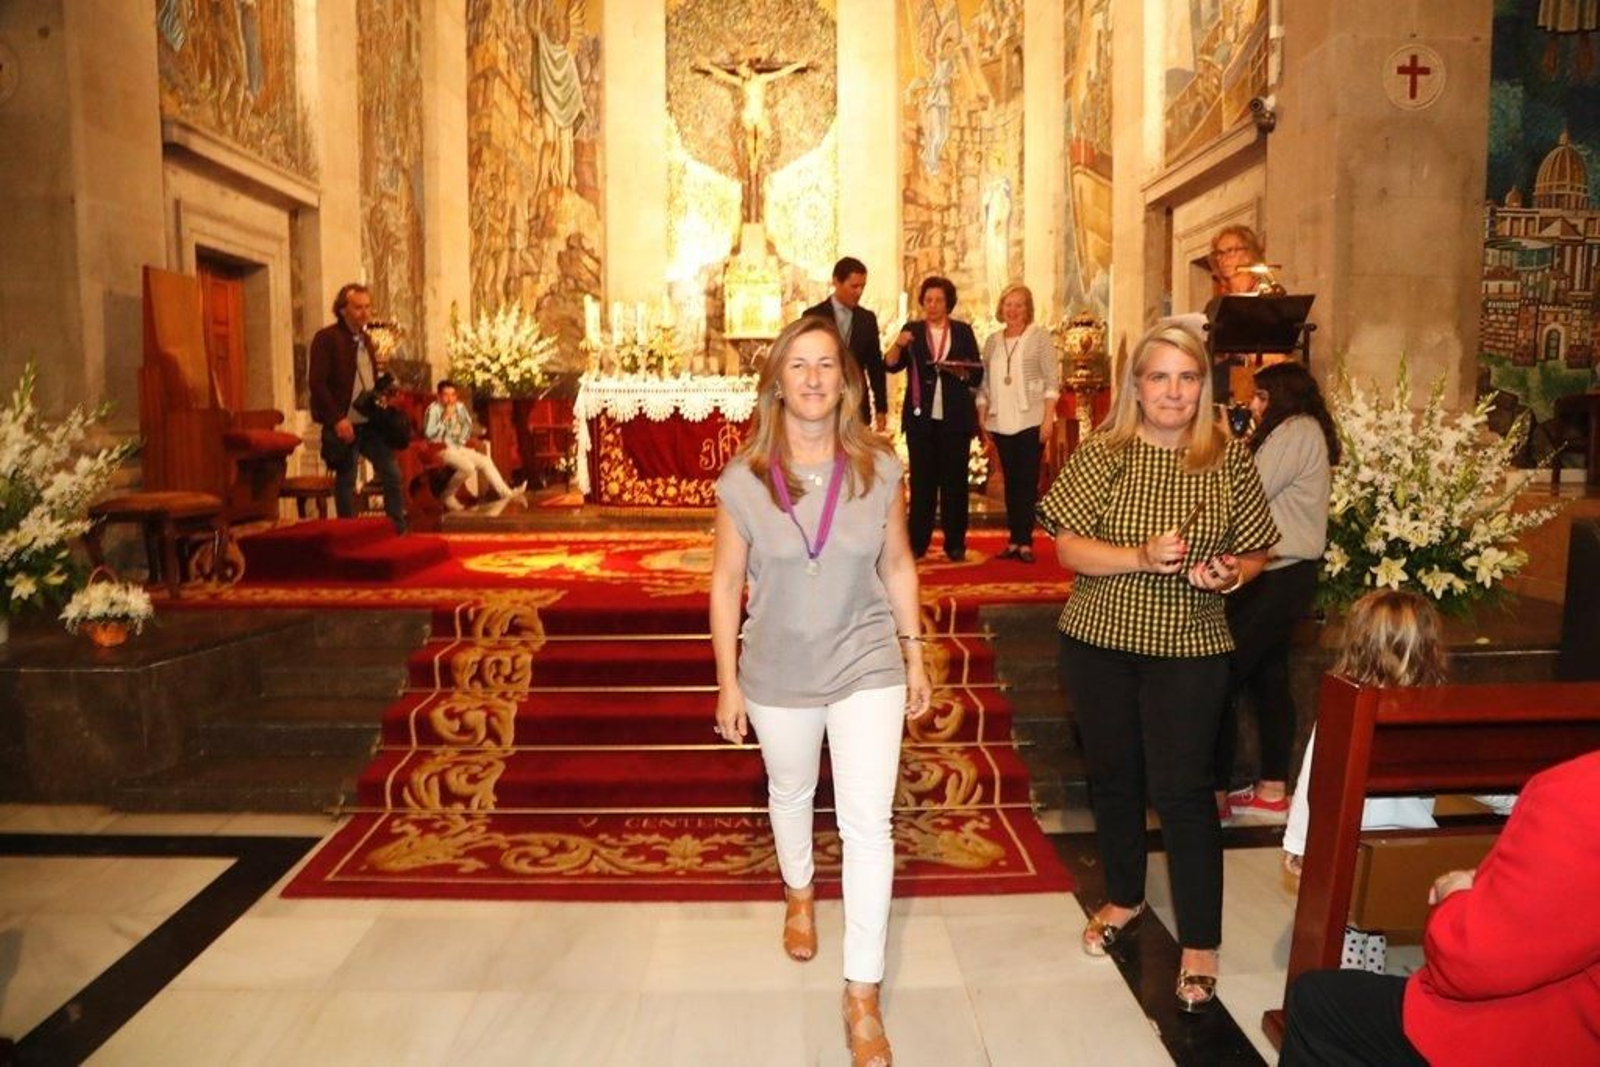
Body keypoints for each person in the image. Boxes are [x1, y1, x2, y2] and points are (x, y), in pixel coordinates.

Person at [709, 316, 932, 1067]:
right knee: (792, 785)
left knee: (869, 824)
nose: (811, 378)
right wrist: (726, 681)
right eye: (796, 365)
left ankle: (861, 993)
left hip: (867, 658)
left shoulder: (879, 468)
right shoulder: (743, 477)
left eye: (825, 365)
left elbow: (898, 564)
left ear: (845, 380)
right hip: (775, 664)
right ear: (777, 382)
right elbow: (726, 582)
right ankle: (799, 888)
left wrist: (917, 655)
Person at [1037, 323, 1278, 1011]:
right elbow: (1068, 551)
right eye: (1159, 377)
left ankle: (1200, 942)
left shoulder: (1228, 458)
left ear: (1203, 385)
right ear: (1136, 387)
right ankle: (1123, 897)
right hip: (1098, 640)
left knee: (1181, 791)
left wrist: (1230, 573)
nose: (1173, 391)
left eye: (1187, 377)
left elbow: (1257, 548)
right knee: (1113, 779)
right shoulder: (1103, 452)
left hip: (1190, 647)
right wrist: (1141, 556)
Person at [1281, 748, 1600, 1066]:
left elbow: (1469, 963)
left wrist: (1457, 896)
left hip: (1545, 1034)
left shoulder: (1578, 793)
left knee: (1316, 1001)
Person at [1282, 590, 1517, 876]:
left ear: (1355, 643)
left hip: (1344, 848)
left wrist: (1299, 842)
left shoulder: (1344, 706)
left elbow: (1315, 777)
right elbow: (1475, 771)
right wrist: (1518, 801)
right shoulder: (1432, 713)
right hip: (1413, 846)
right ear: (1430, 648)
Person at [1215, 361, 1340, 822]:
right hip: (1275, 572)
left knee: (1220, 675)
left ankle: (1216, 791)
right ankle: (1271, 788)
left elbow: (1249, 488)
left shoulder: (1297, 429)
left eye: (1262, 396)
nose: (1253, 404)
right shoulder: (1289, 431)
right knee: (1268, 679)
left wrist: (1230, 443)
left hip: (1281, 575)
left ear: (1284, 397)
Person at [885, 276, 983, 561]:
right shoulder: (912, 331)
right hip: (921, 419)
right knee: (923, 483)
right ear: (922, 302)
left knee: (955, 483)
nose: (933, 305)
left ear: (948, 302)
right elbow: (890, 365)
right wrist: (899, 344)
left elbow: (977, 372)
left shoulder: (963, 332)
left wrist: (959, 371)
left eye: (939, 300)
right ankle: (918, 542)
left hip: (955, 418)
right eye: (928, 300)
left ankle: (955, 543)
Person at [309, 283, 406, 533]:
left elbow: (366, 379)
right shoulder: (327, 338)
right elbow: (317, 384)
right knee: (347, 481)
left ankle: (398, 529)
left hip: (369, 423)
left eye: (367, 307)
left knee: (392, 473)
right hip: (343, 423)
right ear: (343, 310)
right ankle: (349, 534)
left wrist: (383, 391)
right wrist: (337, 419)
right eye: (358, 307)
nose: (365, 312)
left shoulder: (366, 339)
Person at [975, 283, 1058, 563]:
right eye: (1008, 304)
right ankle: (1013, 539)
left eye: (1019, 305)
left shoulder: (1040, 337)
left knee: (1026, 481)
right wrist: (982, 414)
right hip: (1001, 419)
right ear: (1001, 308)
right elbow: (983, 383)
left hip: (1031, 418)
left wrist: (1048, 418)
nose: (1012, 310)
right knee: (1010, 481)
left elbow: (1051, 381)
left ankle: (1025, 541)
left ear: (1027, 308)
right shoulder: (992, 341)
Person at [804, 257, 889, 432]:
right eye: (854, 286)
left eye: (862, 286)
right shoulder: (813, 316)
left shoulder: (867, 319)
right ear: (836, 281)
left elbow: (875, 365)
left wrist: (881, 408)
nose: (859, 292)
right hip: (822, 401)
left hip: (857, 404)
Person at [422, 380, 524, 511]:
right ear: (439, 396)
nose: (450, 399)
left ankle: (507, 493)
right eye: (446, 395)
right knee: (468, 467)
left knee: (484, 461)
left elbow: (467, 427)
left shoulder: (459, 407)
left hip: (457, 446)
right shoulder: (433, 410)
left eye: (452, 395)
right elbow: (430, 435)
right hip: (440, 448)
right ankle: (447, 495)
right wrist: (445, 419)